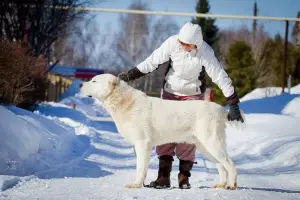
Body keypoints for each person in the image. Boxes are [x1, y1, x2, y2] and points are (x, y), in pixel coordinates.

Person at [117, 22, 244, 189]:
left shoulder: (205, 51)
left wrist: (233, 103)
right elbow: (152, 62)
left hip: (192, 96)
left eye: (187, 44)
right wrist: (130, 75)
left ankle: (184, 177)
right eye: (181, 42)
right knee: (162, 133)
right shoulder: (172, 43)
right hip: (170, 94)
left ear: (196, 44)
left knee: (190, 138)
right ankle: (163, 177)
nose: (183, 46)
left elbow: (219, 76)